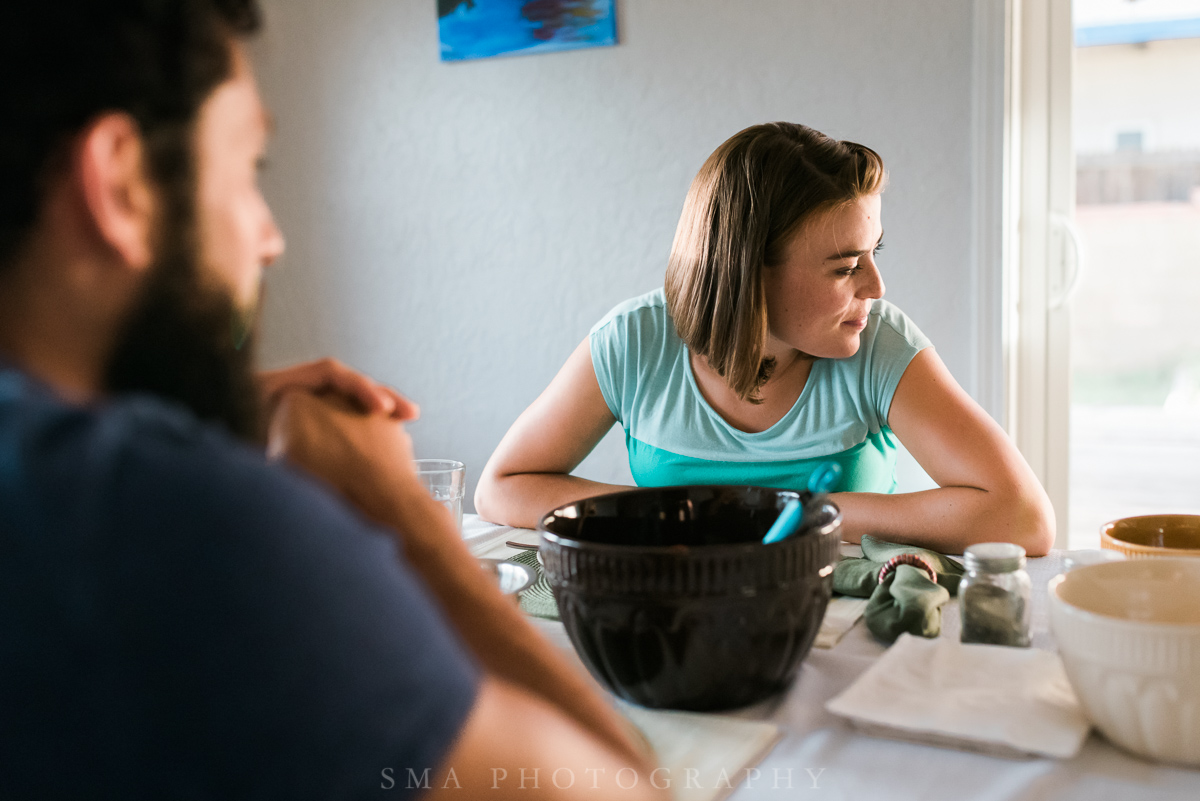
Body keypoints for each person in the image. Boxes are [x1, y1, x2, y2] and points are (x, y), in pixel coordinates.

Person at [0, 3, 665, 798]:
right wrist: (401, 511)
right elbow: (624, 789)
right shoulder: (181, 524)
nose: (270, 237)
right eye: (251, 171)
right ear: (121, 185)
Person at [476, 123, 1055, 557]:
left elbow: (1025, 518)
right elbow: (501, 489)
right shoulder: (634, 341)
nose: (875, 286)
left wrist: (806, 514)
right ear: (747, 272)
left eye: (873, 253)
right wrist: (680, 517)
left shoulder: (880, 345)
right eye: (844, 265)